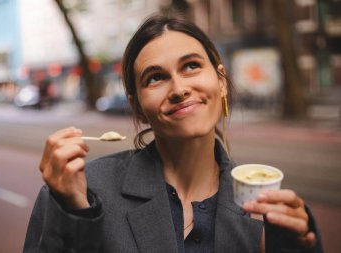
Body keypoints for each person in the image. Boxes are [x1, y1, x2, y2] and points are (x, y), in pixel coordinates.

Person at [23, 15, 323, 253]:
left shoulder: (274, 212)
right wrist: (75, 214)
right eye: (156, 78)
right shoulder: (79, 193)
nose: (179, 89)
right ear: (137, 106)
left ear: (220, 81)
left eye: (191, 66)